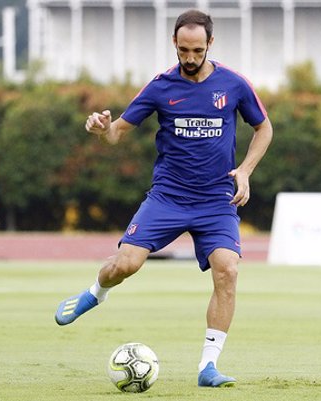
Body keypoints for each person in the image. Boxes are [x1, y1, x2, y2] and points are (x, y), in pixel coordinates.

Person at [55, 9, 273, 388]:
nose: (190, 58)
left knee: (228, 270)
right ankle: (96, 293)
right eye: (183, 50)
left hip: (216, 200)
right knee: (126, 264)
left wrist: (246, 171)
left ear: (210, 44)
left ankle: (208, 367)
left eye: (197, 50)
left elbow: (264, 128)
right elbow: (117, 132)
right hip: (168, 197)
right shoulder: (160, 87)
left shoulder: (234, 85)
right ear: (174, 43)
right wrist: (102, 128)